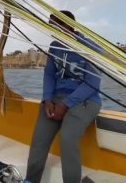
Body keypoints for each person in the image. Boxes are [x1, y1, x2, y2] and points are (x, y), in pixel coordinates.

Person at [24, 11, 101, 183]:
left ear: (70, 26)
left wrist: (66, 104)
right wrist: (47, 99)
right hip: (56, 98)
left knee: (67, 138)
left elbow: (93, 83)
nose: (54, 31)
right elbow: (49, 75)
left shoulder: (91, 48)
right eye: (52, 28)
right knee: (39, 140)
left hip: (85, 100)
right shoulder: (54, 46)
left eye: (58, 27)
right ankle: (30, 180)